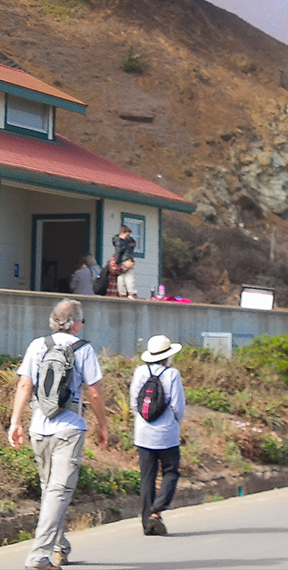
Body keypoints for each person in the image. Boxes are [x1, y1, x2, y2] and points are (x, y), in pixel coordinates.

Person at [9, 298, 111, 570]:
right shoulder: (84, 349)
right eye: (82, 321)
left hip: (38, 429)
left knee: (51, 491)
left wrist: (15, 422)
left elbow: (24, 385)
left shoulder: (37, 345)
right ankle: (38, 557)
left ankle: (59, 546)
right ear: (75, 323)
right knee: (57, 491)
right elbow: (95, 392)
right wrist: (103, 425)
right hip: (69, 428)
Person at [130, 334, 186, 535]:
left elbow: (134, 403)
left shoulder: (139, 372)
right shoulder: (172, 374)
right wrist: (173, 422)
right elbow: (178, 407)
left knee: (147, 477)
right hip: (166, 434)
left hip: (143, 433)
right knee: (171, 471)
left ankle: (147, 524)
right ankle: (156, 511)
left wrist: (144, 420)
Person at [111, 222, 139, 298]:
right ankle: (131, 293)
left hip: (123, 260)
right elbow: (118, 252)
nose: (129, 237)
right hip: (125, 260)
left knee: (122, 279)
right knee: (128, 278)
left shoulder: (124, 242)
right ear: (123, 233)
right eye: (127, 235)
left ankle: (122, 294)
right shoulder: (121, 242)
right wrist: (116, 261)